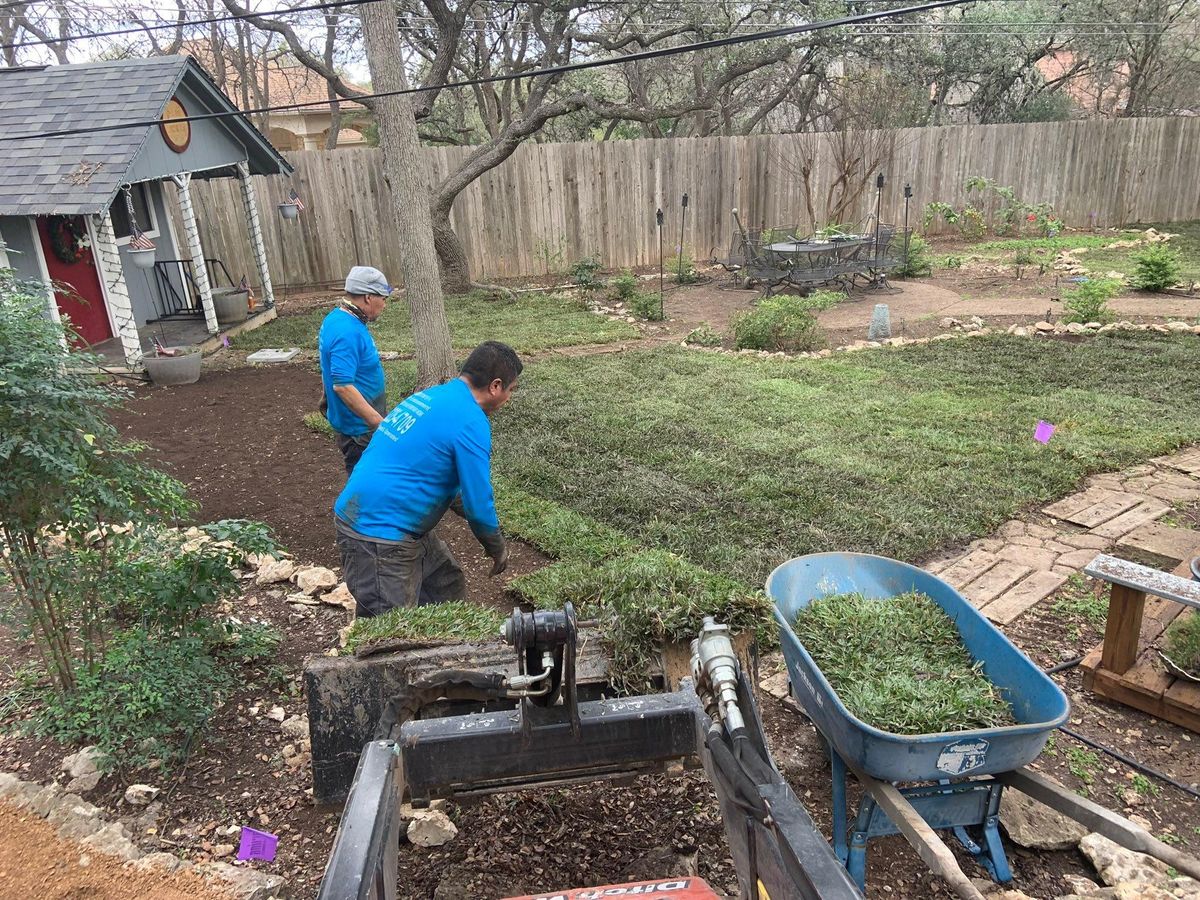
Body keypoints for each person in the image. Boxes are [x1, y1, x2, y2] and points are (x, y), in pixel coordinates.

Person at [332, 341, 521, 618]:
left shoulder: (432, 397)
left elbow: (451, 488)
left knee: (445, 585)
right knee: (391, 637)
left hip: (392, 522)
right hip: (377, 535)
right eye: (510, 390)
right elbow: (479, 504)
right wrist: (497, 547)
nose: (509, 398)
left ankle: (442, 655)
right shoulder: (471, 421)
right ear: (495, 386)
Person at [319, 266, 393, 474]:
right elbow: (342, 386)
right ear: (368, 297)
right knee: (366, 489)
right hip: (360, 432)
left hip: (356, 426)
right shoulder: (347, 331)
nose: (385, 305)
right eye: (383, 298)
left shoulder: (336, 318)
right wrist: (379, 424)